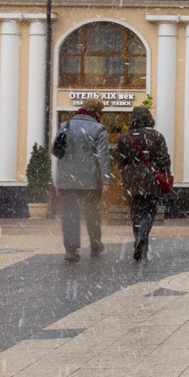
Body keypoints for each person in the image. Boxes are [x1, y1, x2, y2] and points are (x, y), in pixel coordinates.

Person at [52, 99, 113, 262]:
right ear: (98, 113)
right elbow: (103, 157)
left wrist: (58, 181)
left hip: (67, 179)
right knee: (92, 211)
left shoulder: (65, 125)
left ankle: (71, 249)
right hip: (90, 180)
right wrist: (106, 180)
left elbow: (58, 154)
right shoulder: (99, 128)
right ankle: (95, 243)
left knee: (70, 213)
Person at [115, 107, 174, 262]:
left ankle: (138, 238)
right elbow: (164, 158)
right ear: (149, 118)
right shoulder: (156, 136)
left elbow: (119, 160)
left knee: (135, 212)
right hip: (151, 178)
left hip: (131, 179)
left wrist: (126, 173)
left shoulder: (124, 137)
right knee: (149, 210)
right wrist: (166, 173)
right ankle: (142, 236)